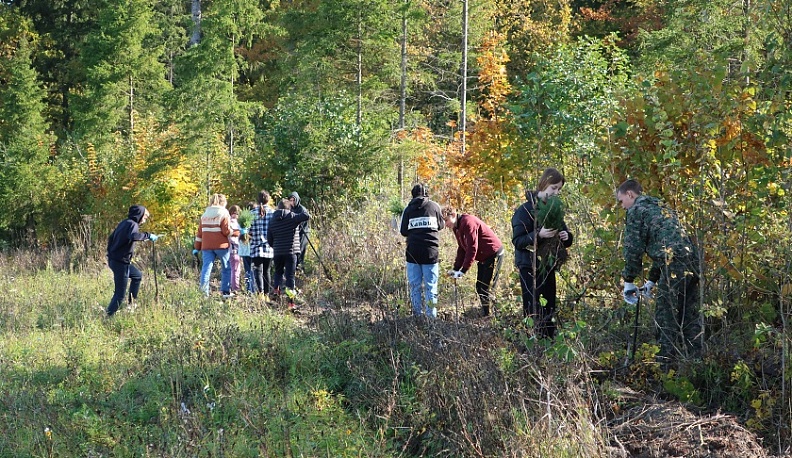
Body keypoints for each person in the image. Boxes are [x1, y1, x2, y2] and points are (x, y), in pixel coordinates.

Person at [616, 179, 702, 360]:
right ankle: (696, 361)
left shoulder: (636, 211)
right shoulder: (661, 207)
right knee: (690, 312)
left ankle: (665, 364)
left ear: (630, 194)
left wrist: (629, 280)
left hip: (675, 263)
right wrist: (651, 280)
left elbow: (633, 249)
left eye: (621, 201)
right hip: (693, 260)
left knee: (666, 314)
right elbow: (668, 245)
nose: (622, 206)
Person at [512, 168, 574, 339]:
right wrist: (538, 235)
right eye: (553, 188)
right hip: (528, 266)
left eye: (559, 189)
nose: (556, 192)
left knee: (549, 306)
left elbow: (567, 237)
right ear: (543, 184)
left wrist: (566, 236)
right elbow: (517, 241)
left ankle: (549, 342)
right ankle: (533, 343)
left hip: (548, 265)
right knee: (532, 307)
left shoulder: (554, 209)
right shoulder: (524, 211)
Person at [442, 206, 504, 317]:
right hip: (483, 257)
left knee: (486, 287)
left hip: (493, 253)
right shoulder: (456, 228)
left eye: (446, 220)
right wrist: (456, 269)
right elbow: (462, 248)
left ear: (453, 215)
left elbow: (472, 248)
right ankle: (487, 314)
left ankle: (495, 316)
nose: (445, 224)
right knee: (479, 287)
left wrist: (464, 270)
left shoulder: (468, 222)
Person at [400, 183, 445, 318]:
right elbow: (441, 225)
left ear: (413, 195)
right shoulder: (435, 206)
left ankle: (417, 317)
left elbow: (403, 231)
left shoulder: (408, 210)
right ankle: (432, 319)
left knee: (415, 287)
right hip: (431, 253)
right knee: (431, 287)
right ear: (426, 193)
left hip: (413, 253)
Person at [106, 205, 160, 316]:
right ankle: (108, 316)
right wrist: (148, 235)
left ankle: (132, 303)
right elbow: (133, 236)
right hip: (120, 263)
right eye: (144, 217)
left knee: (137, 275)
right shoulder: (133, 224)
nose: (144, 220)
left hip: (115, 260)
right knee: (120, 294)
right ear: (139, 215)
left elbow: (112, 238)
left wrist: (111, 253)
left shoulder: (124, 223)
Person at [268, 198, 311, 310]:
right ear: (289, 207)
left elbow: (269, 239)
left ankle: (276, 290)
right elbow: (306, 215)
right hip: (291, 251)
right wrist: (298, 205)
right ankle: (290, 303)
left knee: (278, 272)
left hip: (277, 252)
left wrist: (276, 246)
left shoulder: (272, 220)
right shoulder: (292, 216)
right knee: (290, 277)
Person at [194, 193, 237, 298]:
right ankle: (225, 292)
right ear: (223, 203)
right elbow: (226, 231)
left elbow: (200, 234)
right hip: (221, 245)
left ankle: (204, 293)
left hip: (206, 246)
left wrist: (196, 247)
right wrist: (237, 232)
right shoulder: (223, 213)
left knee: (206, 269)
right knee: (226, 268)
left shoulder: (204, 215)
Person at [249, 191, 275, 295]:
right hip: (269, 246)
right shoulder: (273, 213)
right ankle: (267, 294)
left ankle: (260, 293)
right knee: (267, 271)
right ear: (268, 200)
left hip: (255, 246)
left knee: (258, 270)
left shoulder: (251, 214)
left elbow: (247, 230)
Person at [288, 192, 310, 272]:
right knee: (294, 253)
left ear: (297, 200)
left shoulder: (302, 209)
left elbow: (306, 218)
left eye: (294, 200)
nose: (292, 202)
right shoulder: (290, 209)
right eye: (291, 200)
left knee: (299, 252)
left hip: (303, 233)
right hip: (295, 234)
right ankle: (296, 270)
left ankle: (300, 270)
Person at [239, 201, 256, 294]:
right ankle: (253, 288)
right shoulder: (253, 219)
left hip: (244, 250)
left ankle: (248, 288)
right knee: (253, 269)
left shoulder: (242, 222)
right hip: (252, 248)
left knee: (247, 270)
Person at [228, 205, 242, 293]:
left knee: (230, 268)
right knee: (236, 269)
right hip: (235, 247)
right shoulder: (237, 223)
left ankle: (230, 286)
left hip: (228, 248)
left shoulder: (227, 221)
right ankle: (235, 288)